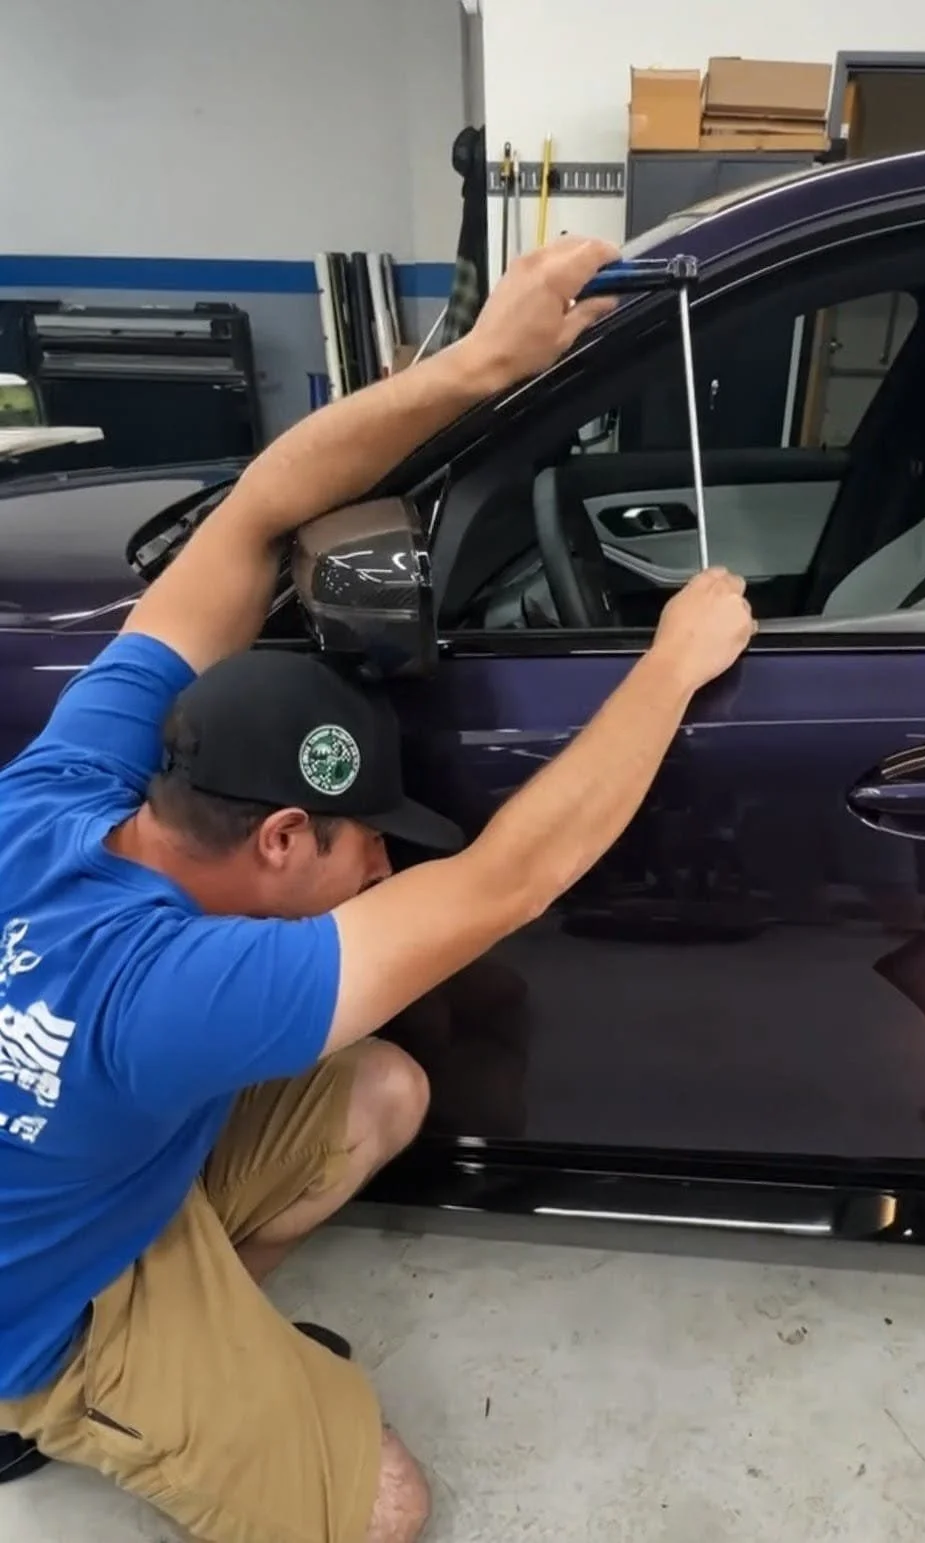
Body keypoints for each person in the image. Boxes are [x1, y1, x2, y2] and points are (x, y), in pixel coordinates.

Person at [0, 235, 755, 1543]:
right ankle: (86, 1393)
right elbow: (513, 875)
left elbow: (252, 518)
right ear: (284, 837)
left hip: (80, 1179)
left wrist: (481, 366)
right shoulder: (175, 991)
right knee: (383, 1507)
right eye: (370, 844)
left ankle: (208, 1329)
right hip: (41, 1316)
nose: (387, 867)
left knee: (381, 1090)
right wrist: (675, 662)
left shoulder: (64, 788)